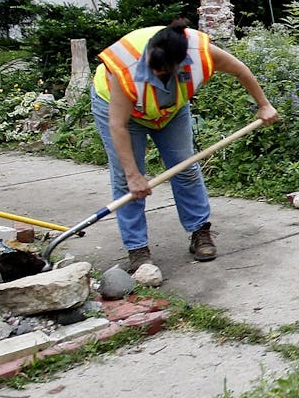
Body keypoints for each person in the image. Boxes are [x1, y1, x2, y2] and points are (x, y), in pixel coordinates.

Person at [90, 17, 278, 274]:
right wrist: (135, 176)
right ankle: (138, 249)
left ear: (181, 63)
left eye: (163, 70)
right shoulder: (126, 68)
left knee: (185, 167)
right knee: (126, 178)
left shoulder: (201, 54)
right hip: (123, 114)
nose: (154, 74)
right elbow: (117, 126)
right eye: (152, 68)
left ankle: (200, 231)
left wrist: (263, 104)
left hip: (170, 110)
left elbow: (240, 70)